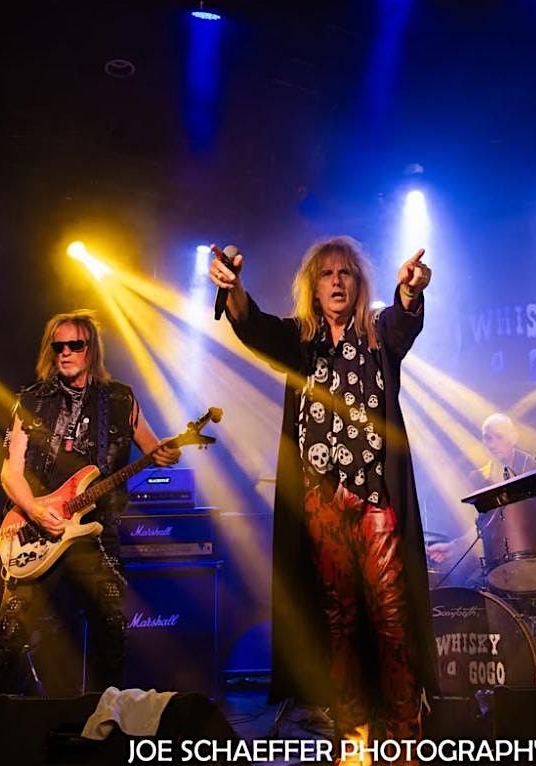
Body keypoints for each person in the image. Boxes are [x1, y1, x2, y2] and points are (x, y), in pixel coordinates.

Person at [208, 237, 436, 752]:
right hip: (320, 499)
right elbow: (254, 325)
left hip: (374, 499)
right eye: (327, 274)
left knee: (391, 617)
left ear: (358, 284)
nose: (336, 281)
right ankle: (352, 735)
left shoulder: (378, 334)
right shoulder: (301, 341)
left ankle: (404, 734)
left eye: (345, 273)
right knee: (338, 620)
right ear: (313, 287)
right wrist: (234, 288)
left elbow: (404, 321)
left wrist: (409, 292)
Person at [0, 310, 181, 724]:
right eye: (58, 346)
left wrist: (168, 451)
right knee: (9, 634)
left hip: (95, 534)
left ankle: (105, 729)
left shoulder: (120, 399)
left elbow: (154, 448)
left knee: (111, 631)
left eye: (75, 345)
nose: (65, 352)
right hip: (37, 531)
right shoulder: (31, 401)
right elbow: (10, 472)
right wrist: (34, 509)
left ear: (91, 350)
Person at [425, 413, 536, 589]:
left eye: (498, 437)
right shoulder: (480, 477)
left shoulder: (531, 466)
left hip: (533, 555)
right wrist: (454, 547)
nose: (492, 444)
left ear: (513, 437)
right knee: (464, 587)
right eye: (487, 438)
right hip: (496, 560)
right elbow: (482, 526)